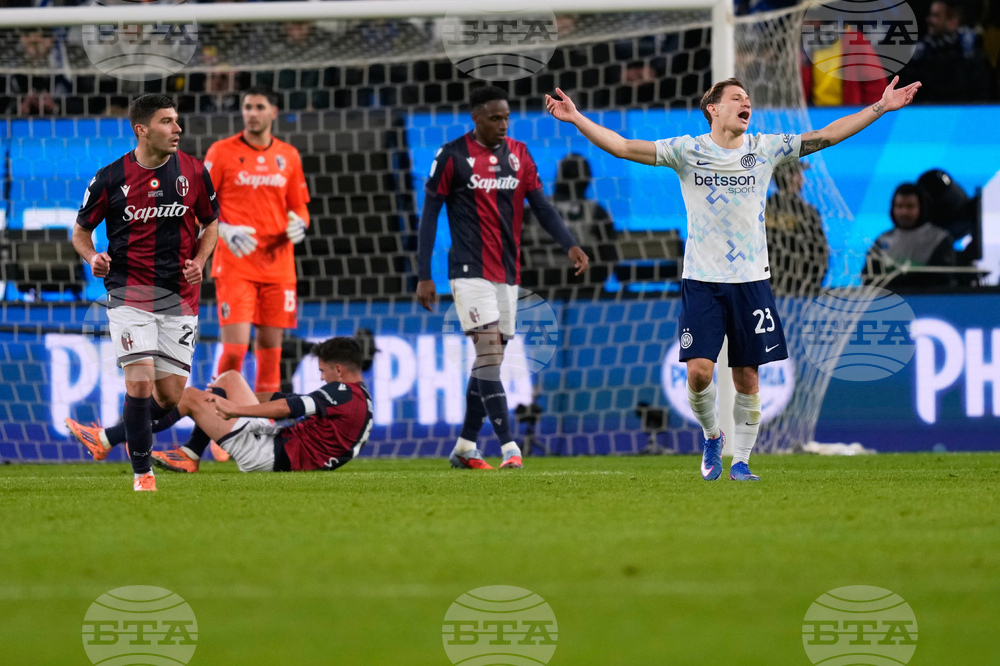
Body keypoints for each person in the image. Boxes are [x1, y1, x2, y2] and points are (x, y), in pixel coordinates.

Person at [546, 75, 920, 481]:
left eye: (748, 99)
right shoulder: (686, 151)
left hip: (751, 281)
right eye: (737, 98)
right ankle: (712, 436)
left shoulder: (764, 148)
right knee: (698, 373)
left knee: (748, 376)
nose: (747, 104)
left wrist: (880, 107)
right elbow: (622, 146)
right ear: (714, 108)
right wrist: (577, 118)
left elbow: (826, 136)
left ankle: (741, 462)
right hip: (701, 280)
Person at [416, 85, 589, 471]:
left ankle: (465, 446)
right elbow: (429, 215)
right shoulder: (451, 156)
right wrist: (424, 274)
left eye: (506, 117)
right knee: (490, 355)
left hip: (508, 272)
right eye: (495, 118)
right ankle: (510, 446)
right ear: (476, 118)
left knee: (488, 362)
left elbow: (542, 206)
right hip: (468, 270)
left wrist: (570, 245)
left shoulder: (519, 154)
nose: (503, 124)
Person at [66, 94, 220, 492]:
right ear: (142, 130)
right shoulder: (110, 178)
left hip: (180, 297)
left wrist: (200, 259)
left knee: (168, 397)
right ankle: (143, 476)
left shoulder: (194, 172)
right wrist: (93, 258)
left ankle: (105, 438)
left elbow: (211, 223)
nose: (178, 128)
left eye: (177, 120)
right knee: (138, 382)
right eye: (167, 121)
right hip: (129, 291)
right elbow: (80, 232)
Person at [204, 85, 311, 396]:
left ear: (273, 112)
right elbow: (201, 207)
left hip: (278, 267)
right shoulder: (220, 152)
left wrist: (301, 224)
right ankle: (219, 421)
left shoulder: (288, 155)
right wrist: (224, 230)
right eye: (247, 107)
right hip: (235, 265)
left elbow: (299, 206)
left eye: (259, 107)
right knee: (235, 350)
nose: (252, 113)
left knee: (271, 354)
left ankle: (265, 424)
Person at [135, 337, 373, 474]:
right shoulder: (359, 398)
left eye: (323, 371)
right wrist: (238, 397)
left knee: (189, 397)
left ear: (339, 370)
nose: (322, 377)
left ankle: (127, 434)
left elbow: (289, 408)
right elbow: (288, 399)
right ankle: (190, 454)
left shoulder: (341, 391)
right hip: (278, 448)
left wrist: (234, 409)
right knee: (229, 378)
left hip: (268, 456)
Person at [862, 183, 957, 290]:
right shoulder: (883, 239)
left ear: (921, 207)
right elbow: (869, 278)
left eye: (910, 206)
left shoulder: (938, 239)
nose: (904, 212)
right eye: (899, 206)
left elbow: (941, 281)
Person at [901, 0, 994, 103]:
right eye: (930, 15)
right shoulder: (921, 52)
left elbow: (982, 89)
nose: (930, 20)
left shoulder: (969, 52)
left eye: (936, 16)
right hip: (927, 109)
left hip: (964, 109)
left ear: (953, 21)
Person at [765, 160, 829, 295]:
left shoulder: (763, 209)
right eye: (798, 174)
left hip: (769, 289)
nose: (802, 179)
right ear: (788, 177)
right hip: (802, 289)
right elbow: (820, 252)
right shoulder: (807, 212)